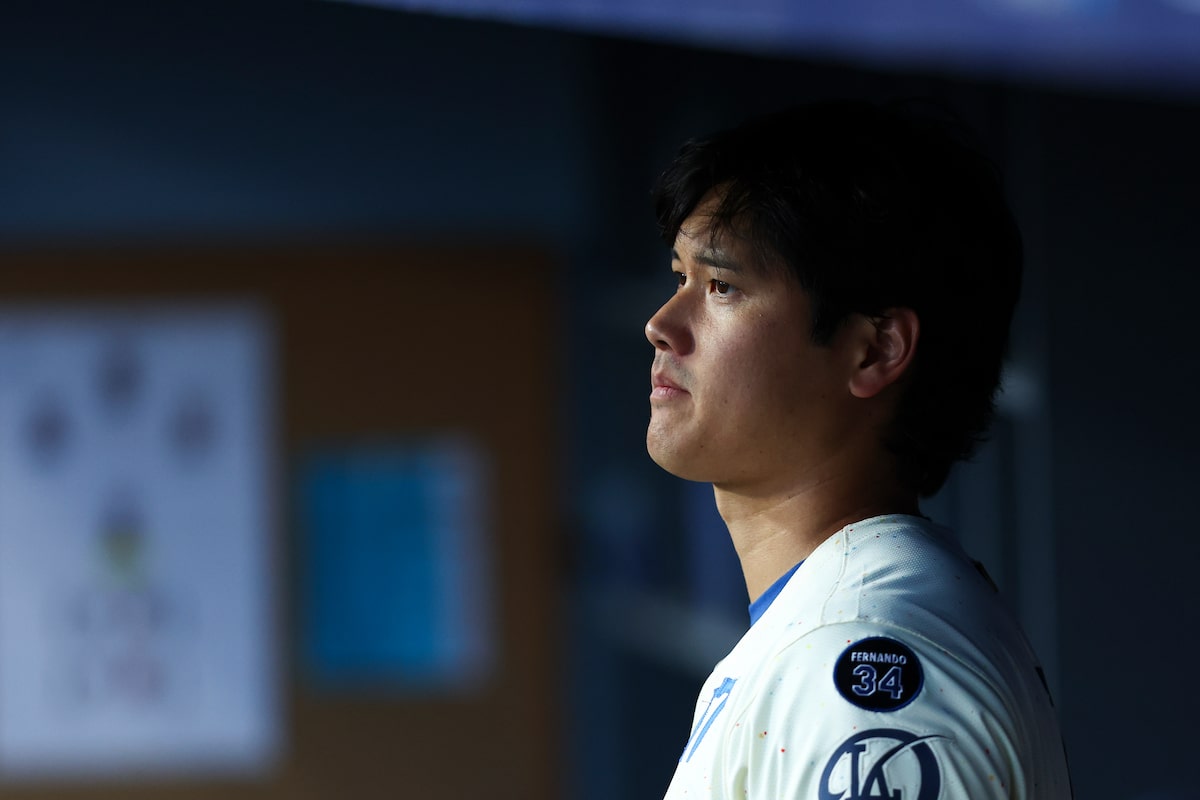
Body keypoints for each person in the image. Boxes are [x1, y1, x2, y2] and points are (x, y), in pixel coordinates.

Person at [644, 101, 1072, 799]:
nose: (661, 324)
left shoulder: (860, 658)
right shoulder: (834, 625)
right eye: (679, 278)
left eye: (722, 286)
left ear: (874, 350)